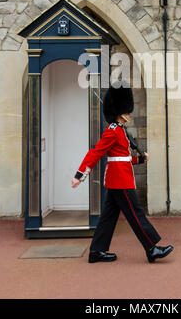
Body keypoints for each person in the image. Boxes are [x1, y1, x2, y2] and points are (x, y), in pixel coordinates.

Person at [71, 81, 173, 263]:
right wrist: (80, 174)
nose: (129, 112)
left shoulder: (120, 131)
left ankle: (97, 251)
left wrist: (140, 159)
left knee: (108, 217)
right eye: (126, 109)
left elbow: (122, 158)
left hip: (119, 178)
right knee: (136, 213)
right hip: (120, 180)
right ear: (120, 111)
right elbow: (96, 152)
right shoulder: (112, 131)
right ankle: (151, 248)